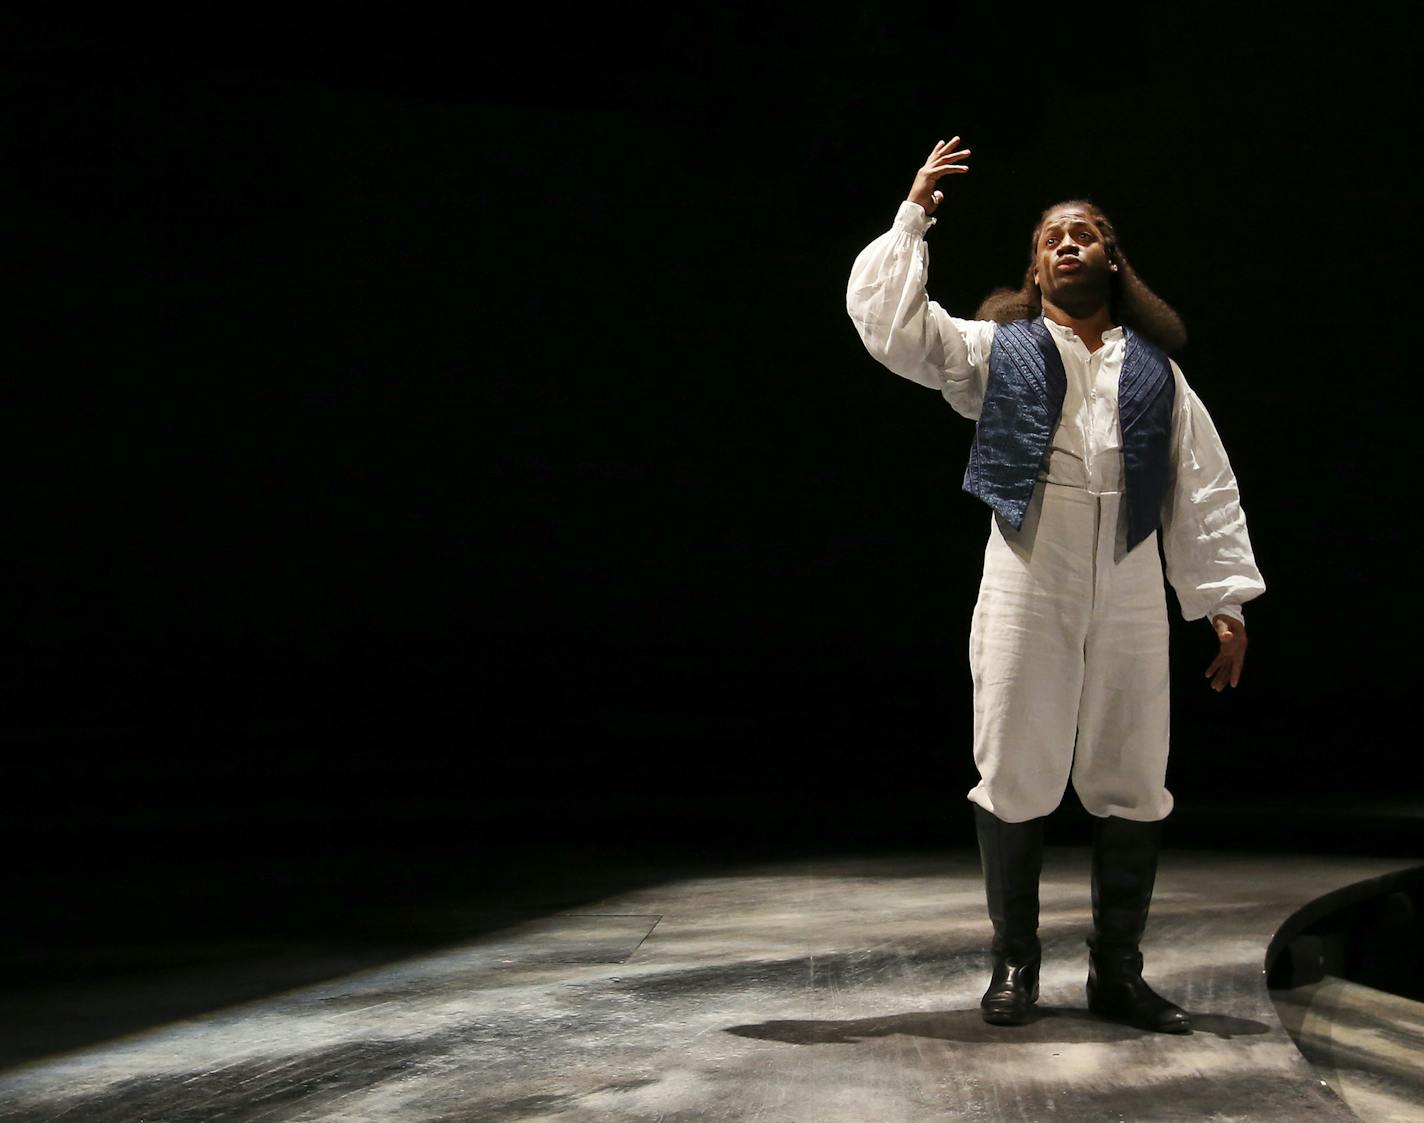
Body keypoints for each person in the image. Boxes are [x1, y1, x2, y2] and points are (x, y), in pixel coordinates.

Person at [845, 137, 1266, 1033]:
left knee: (1132, 764)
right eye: (1050, 238)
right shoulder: (998, 348)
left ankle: (1118, 973)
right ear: (1034, 268)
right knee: (1015, 756)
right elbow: (893, 330)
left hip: (1128, 564)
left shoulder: (1157, 372)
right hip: (1029, 555)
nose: (1066, 245)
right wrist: (914, 213)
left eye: (1083, 235)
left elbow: (1203, 483)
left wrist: (1222, 600)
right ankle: (1014, 966)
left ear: (1112, 256)